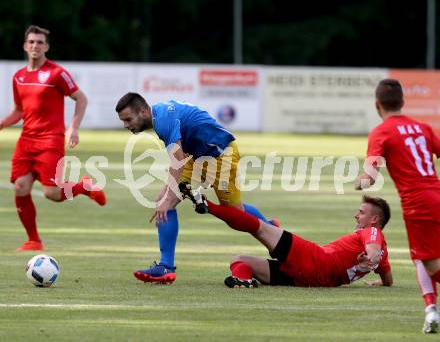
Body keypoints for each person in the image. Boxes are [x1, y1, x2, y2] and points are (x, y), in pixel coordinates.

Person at [115, 93, 276, 284]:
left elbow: (177, 161)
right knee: (163, 200)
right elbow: (179, 158)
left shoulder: (163, 120)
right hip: (196, 157)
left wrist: (168, 197)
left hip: (221, 155)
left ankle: (272, 229)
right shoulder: (159, 115)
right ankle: (166, 268)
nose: (126, 125)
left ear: (142, 111)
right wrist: (167, 196)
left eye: (128, 119)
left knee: (235, 214)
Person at [0, 25, 106, 251]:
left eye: (39, 42)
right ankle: (34, 241)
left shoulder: (57, 73)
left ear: (46, 46)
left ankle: (85, 187)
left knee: (52, 194)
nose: (35, 46)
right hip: (26, 141)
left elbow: (81, 99)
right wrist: (2, 123)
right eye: (31, 42)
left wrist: (73, 127)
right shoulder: (18, 77)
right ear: (25, 46)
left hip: (50, 140)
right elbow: (19, 110)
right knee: (20, 187)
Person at [181, 185, 393, 288]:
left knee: (260, 227)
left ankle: (207, 205)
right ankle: (243, 281)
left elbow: (373, 250)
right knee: (239, 261)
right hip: (313, 280)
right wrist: (378, 281)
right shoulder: (383, 254)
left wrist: (370, 257)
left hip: (316, 260)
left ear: (374, 220)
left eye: (362, 212)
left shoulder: (371, 232)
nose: (356, 215)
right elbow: (388, 280)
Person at [355, 78, 440, 333]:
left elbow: (370, 176)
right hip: (437, 193)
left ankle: (432, 311)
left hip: (418, 204)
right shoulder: (422, 127)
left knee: (428, 262)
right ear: (403, 102)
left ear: (376, 105)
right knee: (421, 258)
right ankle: (431, 311)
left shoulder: (381, 132)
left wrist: (359, 182)